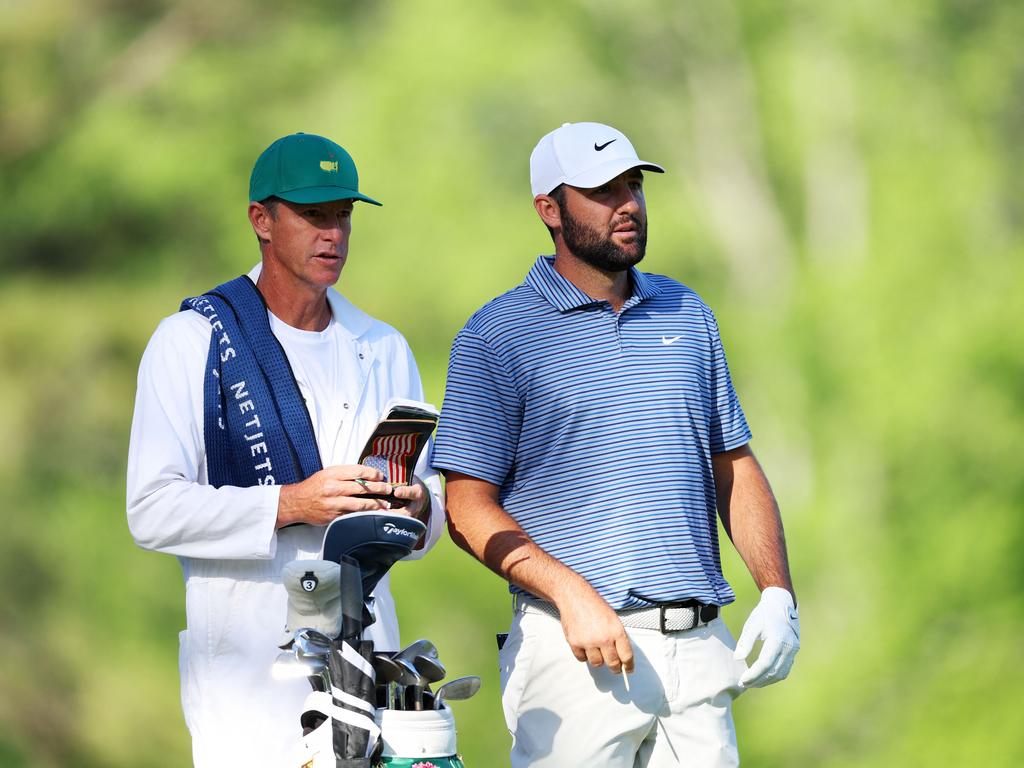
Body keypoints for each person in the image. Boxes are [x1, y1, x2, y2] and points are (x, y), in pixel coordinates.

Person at [432, 121, 800, 767]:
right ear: (549, 208)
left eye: (633, 184)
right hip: (575, 654)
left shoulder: (688, 314)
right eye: (602, 190)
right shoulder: (497, 335)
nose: (627, 203)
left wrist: (776, 593)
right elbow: (465, 507)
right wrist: (569, 593)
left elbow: (732, 464)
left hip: (700, 651)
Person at [126, 132, 444, 767]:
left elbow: (431, 506)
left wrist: (414, 508)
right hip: (248, 668)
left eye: (343, 216)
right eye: (314, 216)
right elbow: (151, 509)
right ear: (261, 221)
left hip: (367, 655)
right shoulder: (193, 340)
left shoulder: (383, 346)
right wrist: (292, 503)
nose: (333, 235)